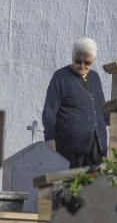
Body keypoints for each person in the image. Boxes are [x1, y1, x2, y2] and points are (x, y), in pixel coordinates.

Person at [42, 37, 109, 168]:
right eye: (78, 61)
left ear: (93, 61)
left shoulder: (95, 77)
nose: (82, 66)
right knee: (71, 186)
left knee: (96, 186)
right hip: (70, 148)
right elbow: (49, 111)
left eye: (87, 62)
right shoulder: (60, 77)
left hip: (96, 147)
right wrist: (49, 138)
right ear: (73, 57)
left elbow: (101, 108)